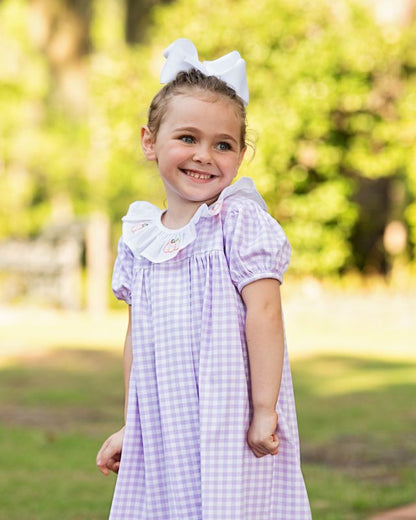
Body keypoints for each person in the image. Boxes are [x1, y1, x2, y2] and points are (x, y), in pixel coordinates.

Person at [96, 38, 311, 520]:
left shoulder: (238, 222)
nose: (204, 156)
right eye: (187, 138)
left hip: (230, 416)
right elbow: (138, 336)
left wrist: (263, 410)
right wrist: (135, 425)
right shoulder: (139, 238)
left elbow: (266, 312)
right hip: (167, 420)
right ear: (150, 142)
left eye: (223, 144)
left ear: (241, 154)